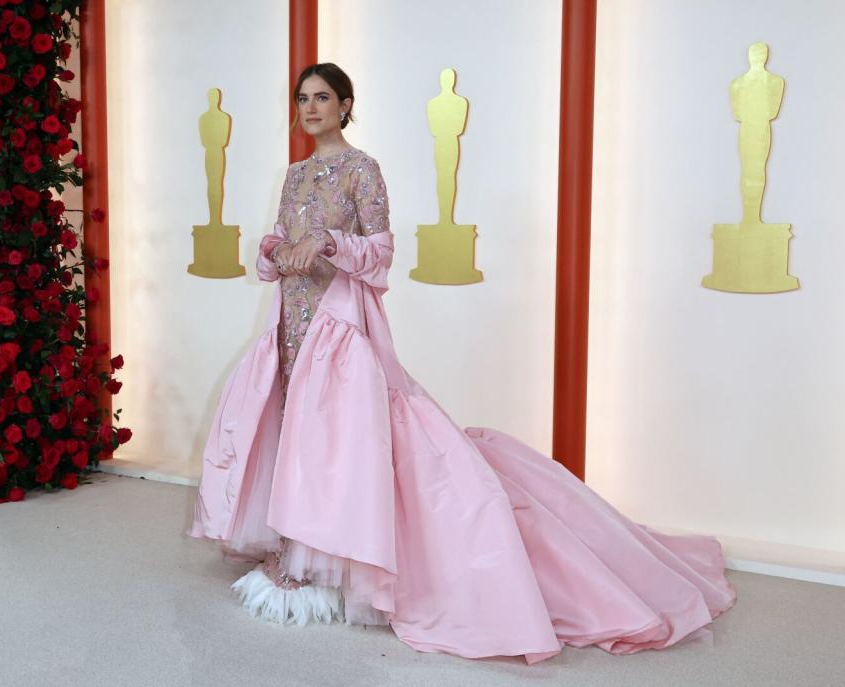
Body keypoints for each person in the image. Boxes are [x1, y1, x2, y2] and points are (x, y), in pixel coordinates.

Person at [189, 63, 735, 664]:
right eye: (302, 98)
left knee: (340, 437)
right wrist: (276, 248)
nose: (310, 108)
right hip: (290, 320)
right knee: (296, 427)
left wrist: (327, 244)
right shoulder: (293, 176)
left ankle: (339, 556)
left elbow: (381, 252)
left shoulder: (361, 169)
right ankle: (303, 541)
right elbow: (277, 243)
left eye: (322, 98)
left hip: (340, 327)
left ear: (346, 106)